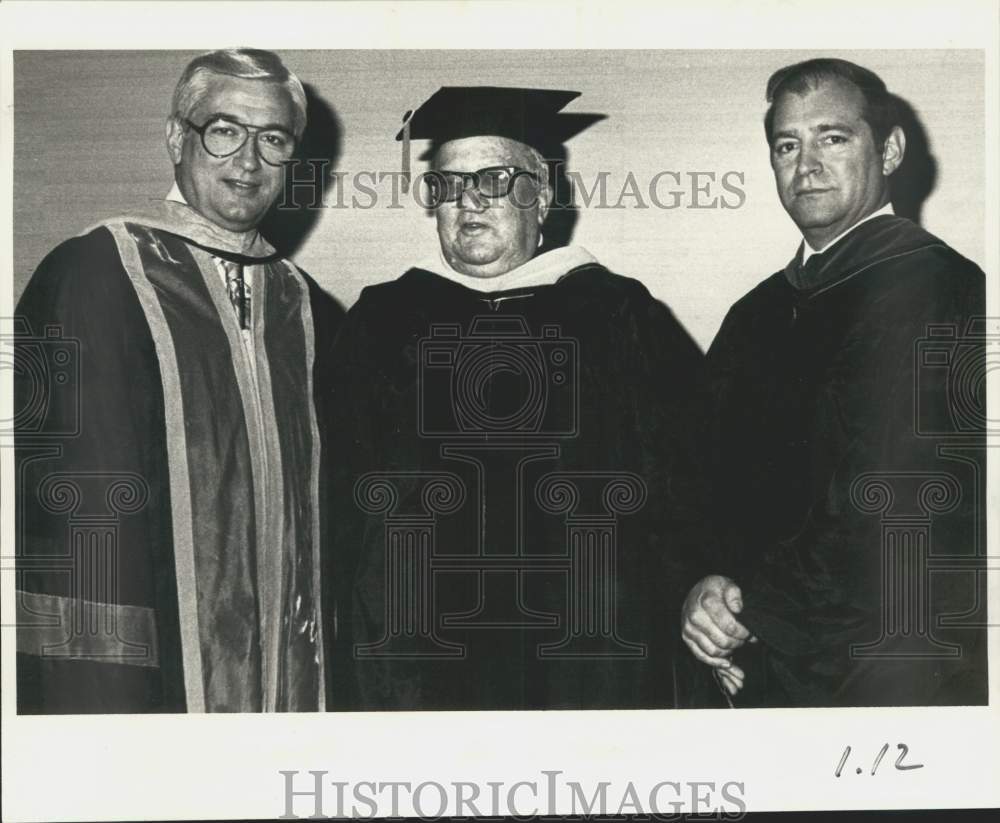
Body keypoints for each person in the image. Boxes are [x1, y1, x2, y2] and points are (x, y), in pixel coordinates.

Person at [324, 86, 710, 710]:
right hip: (419, 655)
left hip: (587, 652)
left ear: (543, 195)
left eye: (495, 178)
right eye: (447, 183)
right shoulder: (382, 323)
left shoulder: (617, 316)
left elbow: (685, 487)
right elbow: (339, 503)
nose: (468, 199)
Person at [15, 48, 340, 713]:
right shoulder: (93, 277)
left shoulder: (311, 312)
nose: (248, 161)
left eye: (273, 139)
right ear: (175, 137)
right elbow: (69, 529)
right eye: (224, 131)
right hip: (142, 695)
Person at [680, 58, 987, 707]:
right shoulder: (755, 313)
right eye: (786, 145)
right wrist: (703, 591)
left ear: (891, 149)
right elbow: (698, 477)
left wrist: (750, 616)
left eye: (833, 137)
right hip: (761, 661)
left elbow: (895, 497)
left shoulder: (941, 289)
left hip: (887, 662)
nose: (806, 164)